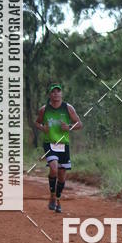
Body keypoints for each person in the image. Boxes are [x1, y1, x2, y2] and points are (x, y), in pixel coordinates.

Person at [34, 84, 82, 214]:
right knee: (54, 168)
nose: (56, 94)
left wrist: (69, 127)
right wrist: (42, 128)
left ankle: (58, 198)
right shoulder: (44, 109)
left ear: (61, 94)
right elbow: (37, 122)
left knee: (62, 177)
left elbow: (79, 124)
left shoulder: (68, 108)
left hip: (63, 145)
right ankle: (52, 196)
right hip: (50, 143)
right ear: (50, 95)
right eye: (53, 92)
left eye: (58, 92)